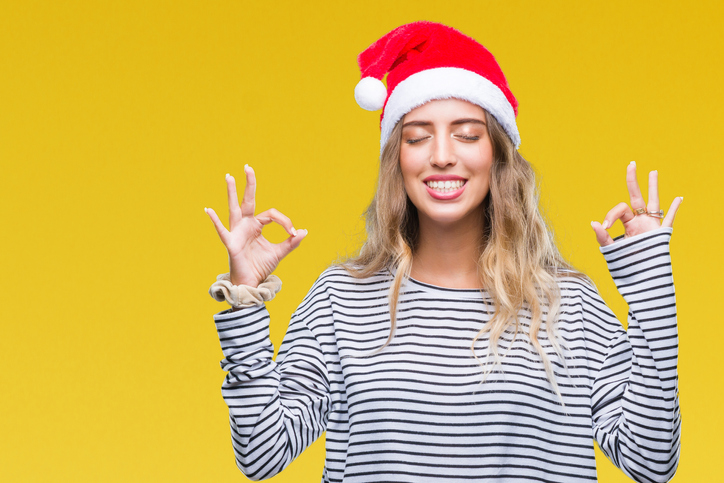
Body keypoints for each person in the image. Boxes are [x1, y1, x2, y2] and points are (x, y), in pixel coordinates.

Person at [204, 21, 682, 483]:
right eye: (417, 137)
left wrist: (650, 283)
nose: (441, 155)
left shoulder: (570, 305)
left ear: (498, 154)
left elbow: (651, 461)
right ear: (399, 159)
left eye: (467, 134)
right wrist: (245, 296)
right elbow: (263, 454)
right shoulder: (341, 300)